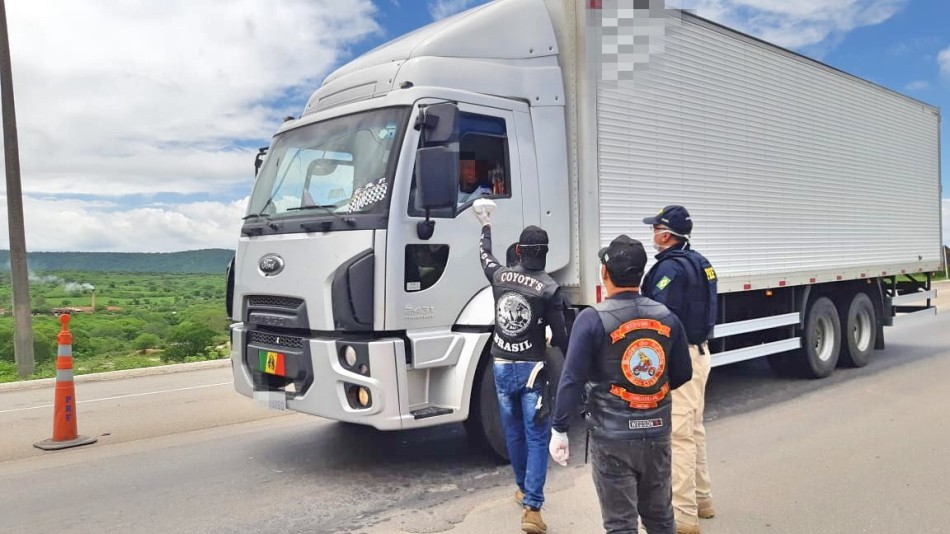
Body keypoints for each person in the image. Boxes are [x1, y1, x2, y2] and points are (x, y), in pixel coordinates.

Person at [549, 235, 692, 534]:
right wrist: (646, 392)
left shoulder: (590, 319)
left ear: (604, 273)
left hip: (611, 436)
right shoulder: (668, 317)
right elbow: (681, 374)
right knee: (661, 519)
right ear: (641, 274)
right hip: (657, 433)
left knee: (620, 525)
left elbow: (572, 378)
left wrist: (559, 428)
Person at [474, 207, 570, 534]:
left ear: (519, 251)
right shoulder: (549, 288)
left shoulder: (499, 276)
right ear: (544, 253)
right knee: (537, 434)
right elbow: (560, 337)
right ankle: (532, 507)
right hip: (533, 370)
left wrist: (485, 225)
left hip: (501, 365)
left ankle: (522, 488)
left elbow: (485, 255)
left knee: (512, 431)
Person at [641, 205, 718, 534]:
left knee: (679, 436)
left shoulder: (669, 270)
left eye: (655, 229)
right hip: (701, 354)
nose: (652, 236)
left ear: (667, 234)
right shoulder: (702, 263)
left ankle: (684, 516)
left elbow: (661, 319)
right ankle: (703, 499)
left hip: (682, 357)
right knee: (695, 429)